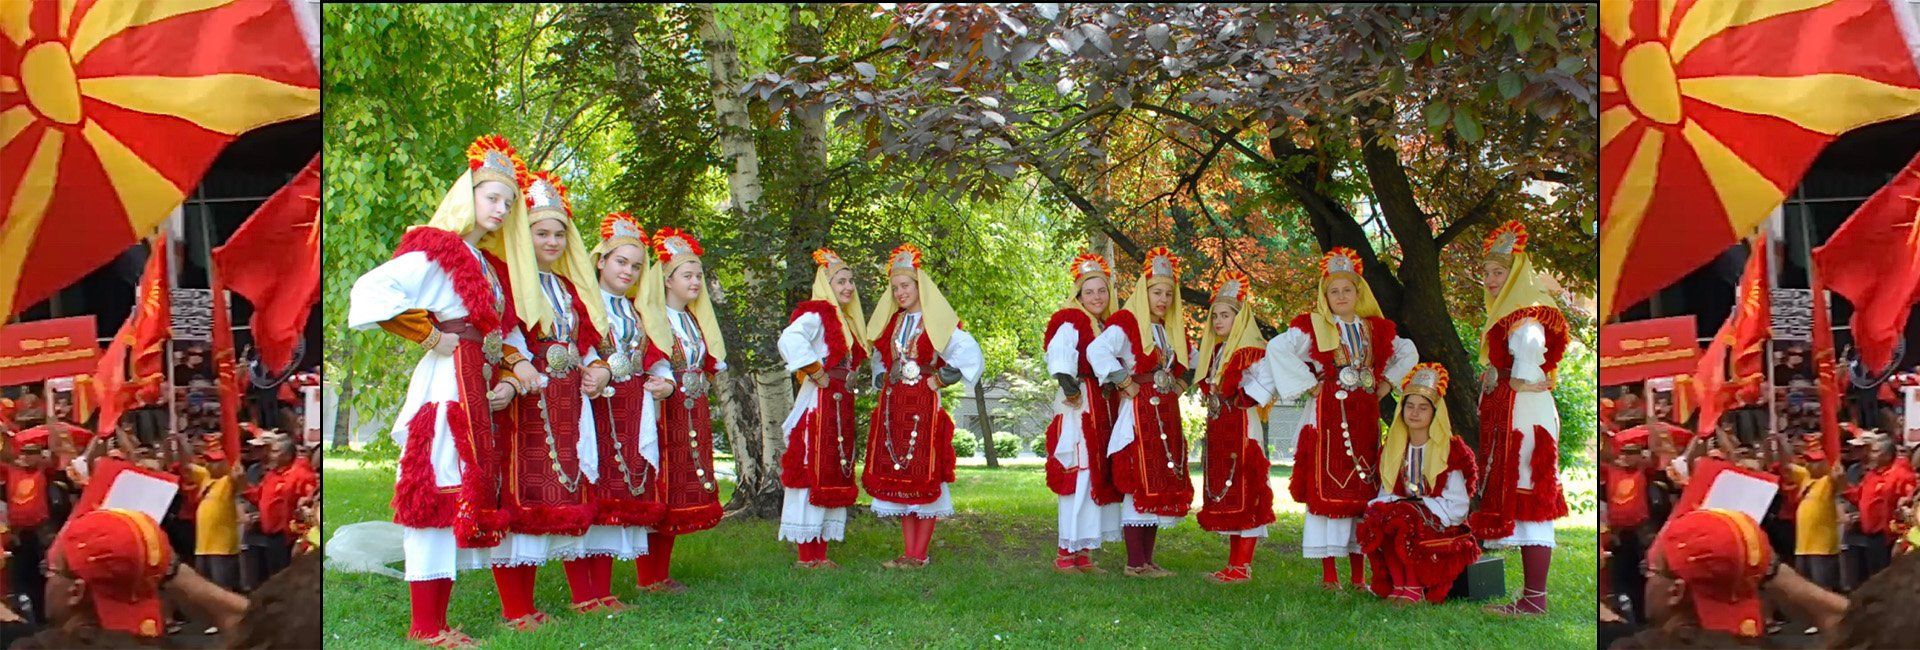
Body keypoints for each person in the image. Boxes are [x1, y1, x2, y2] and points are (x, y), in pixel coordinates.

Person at [346, 134, 535, 648]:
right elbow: (370, 290)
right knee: (434, 494)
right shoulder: (439, 249)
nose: (500, 209)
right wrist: (430, 336)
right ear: (467, 196)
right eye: (492, 197)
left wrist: (514, 378)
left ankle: (439, 622)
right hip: (448, 388)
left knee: (464, 495)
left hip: (482, 386)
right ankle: (426, 626)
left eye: (509, 203)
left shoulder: (490, 267)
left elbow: (506, 332)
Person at [493, 169, 612, 622]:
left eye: (559, 234)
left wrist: (599, 372)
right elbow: (498, 332)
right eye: (541, 232)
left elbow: (592, 345)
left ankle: (583, 596)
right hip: (527, 401)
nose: (551, 241)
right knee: (525, 497)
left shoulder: (567, 289)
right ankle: (517, 607)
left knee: (571, 493)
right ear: (524, 234)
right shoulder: (507, 279)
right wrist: (513, 366)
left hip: (570, 404)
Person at [1262, 247, 1416, 590]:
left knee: (1362, 492)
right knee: (1328, 490)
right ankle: (1330, 576)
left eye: (1347, 289)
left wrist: (1387, 383)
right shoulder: (1315, 326)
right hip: (1329, 416)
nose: (1341, 296)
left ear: (1358, 293)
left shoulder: (1374, 329)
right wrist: (1309, 386)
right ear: (1325, 296)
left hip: (1364, 416)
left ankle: (1359, 576)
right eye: (1334, 291)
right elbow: (1277, 348)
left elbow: (1408, 350)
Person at [1469, 221, 1571, 616]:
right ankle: (1531, 598)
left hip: (1524, 413)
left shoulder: (1524, 318)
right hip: (1522, 411)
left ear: (1516, 275)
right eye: (1488, 273)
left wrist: (1516, 377)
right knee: (1526, 493)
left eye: (1500, 272)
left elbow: (1531, 352)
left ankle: (1533, 601)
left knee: (1529, 493)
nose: (1492, 280)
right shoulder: (1511, 315)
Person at [862, 243, 984, 569]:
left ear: (919, 287)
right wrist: (880, 377)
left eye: (906, 286)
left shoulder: (938, 322)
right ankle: (908, 552)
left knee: (922, 470)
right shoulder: (894, 322)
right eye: (895, 288)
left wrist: (943, 378)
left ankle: (920, 553)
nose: (901, 293)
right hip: (895, 404)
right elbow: (880, 355)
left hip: (924, 405)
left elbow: (970, 355)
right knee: (901, 474)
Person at [1085, 247, 1195, 578]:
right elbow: (1097, 349)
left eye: (1167, 294)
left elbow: (1192, 359)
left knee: (1160, 479)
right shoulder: (1128, 322)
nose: (1161, 299)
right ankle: (1135, 562)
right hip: (1138, 412)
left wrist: (1181, 384)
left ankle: (1147, 560)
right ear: (1143, 292)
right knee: (1139, 478)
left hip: (1166, 410)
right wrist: (1123, 380)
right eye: (1156, 292)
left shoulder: (1171, 328)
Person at [633, 228, 727, 590]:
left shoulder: (692, 319)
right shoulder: (650, 314)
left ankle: (661, 573)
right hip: (663, 410)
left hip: (691, 407)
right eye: (687, 275)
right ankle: (648, 575)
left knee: (677, 489)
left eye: (699, 275)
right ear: (667, 280)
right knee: (660, 484)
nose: (696, 282)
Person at [582, 212, 663, 608]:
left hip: (631, 404)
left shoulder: (635, 309)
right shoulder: (583, 302)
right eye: (621, 262)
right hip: (593, 403)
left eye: (636, 265)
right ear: (600, 260)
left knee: (621, 488)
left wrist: (663, 379)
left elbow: (658, 353)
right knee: (596, 488)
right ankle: (588, 591)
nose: (629, 271)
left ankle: (604, 588)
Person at [776, 248, 872, 569]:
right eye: (840, 281)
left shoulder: (845, 321)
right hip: (818, 406)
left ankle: (821, 553)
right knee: (811, 470)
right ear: (826, 285)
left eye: (850, 282)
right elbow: (790, 338)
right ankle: (807, 556)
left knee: (834, 468)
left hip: (838, 407)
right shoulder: (817, 315)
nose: (847, 287)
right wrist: (815, 369)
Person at [1357, 363, 1479, 604]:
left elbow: (1457, 504)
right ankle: (1398, 584)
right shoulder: (1393, 449)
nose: (1414, 413)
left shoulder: (1450, 450)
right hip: (1405, 513)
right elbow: (1387, 492)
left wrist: (1416, 506)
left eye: (1423, 408)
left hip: (1443, 519)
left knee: (1403, 516)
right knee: (1380, 516)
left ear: (1435, 414)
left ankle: (1414, 587)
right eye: (1409, 406)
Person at [1192, 270, 1277, 584]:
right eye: (1215, 316)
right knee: (1227, 489)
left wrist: (1244, 397)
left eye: (1225, 315)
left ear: (1239, 319)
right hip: (1220, 425)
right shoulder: (1215, 352)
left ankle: (1243, 565)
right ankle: (1233, 564)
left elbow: (1266, 383)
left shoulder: (1253, 351)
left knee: (1246, 487)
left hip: (1242, 424)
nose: (1218, 322)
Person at [1040, 253, 1122, 573]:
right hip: (1080, 404)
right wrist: (1072, 389)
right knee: (1078, 474)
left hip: (1103, 405)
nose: (1096, 297)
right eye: (1089, 292)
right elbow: (1060, 356)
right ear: (1078, 295)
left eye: (1102, 290)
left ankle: (1085, 554)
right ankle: (1065, 554)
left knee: (1095, 476)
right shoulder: (1070, 319)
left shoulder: (1107, 324)